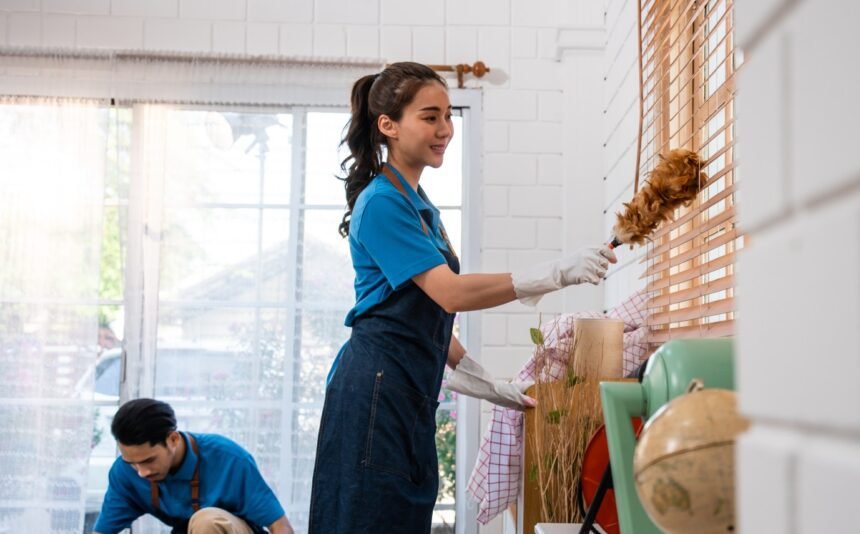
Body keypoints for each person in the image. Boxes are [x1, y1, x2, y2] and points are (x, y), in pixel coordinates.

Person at [308, 61, 616, 533]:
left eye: (448, 116)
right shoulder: (382, 203)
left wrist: (485, 381)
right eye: (430, 117)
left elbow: (423, 317)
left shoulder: (419, 206)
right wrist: (554, 274)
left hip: (405, 393)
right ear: (389, 125)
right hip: (376, 394)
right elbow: (449, 294)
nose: (445, 130)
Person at [93, 399, 294, 534]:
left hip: (231, 529)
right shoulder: (124, 472)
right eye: (132, 463)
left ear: (172, 439)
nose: (141, 472)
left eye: (149, 461)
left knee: (206, 521)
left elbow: (281, 527)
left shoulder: (229, 458)